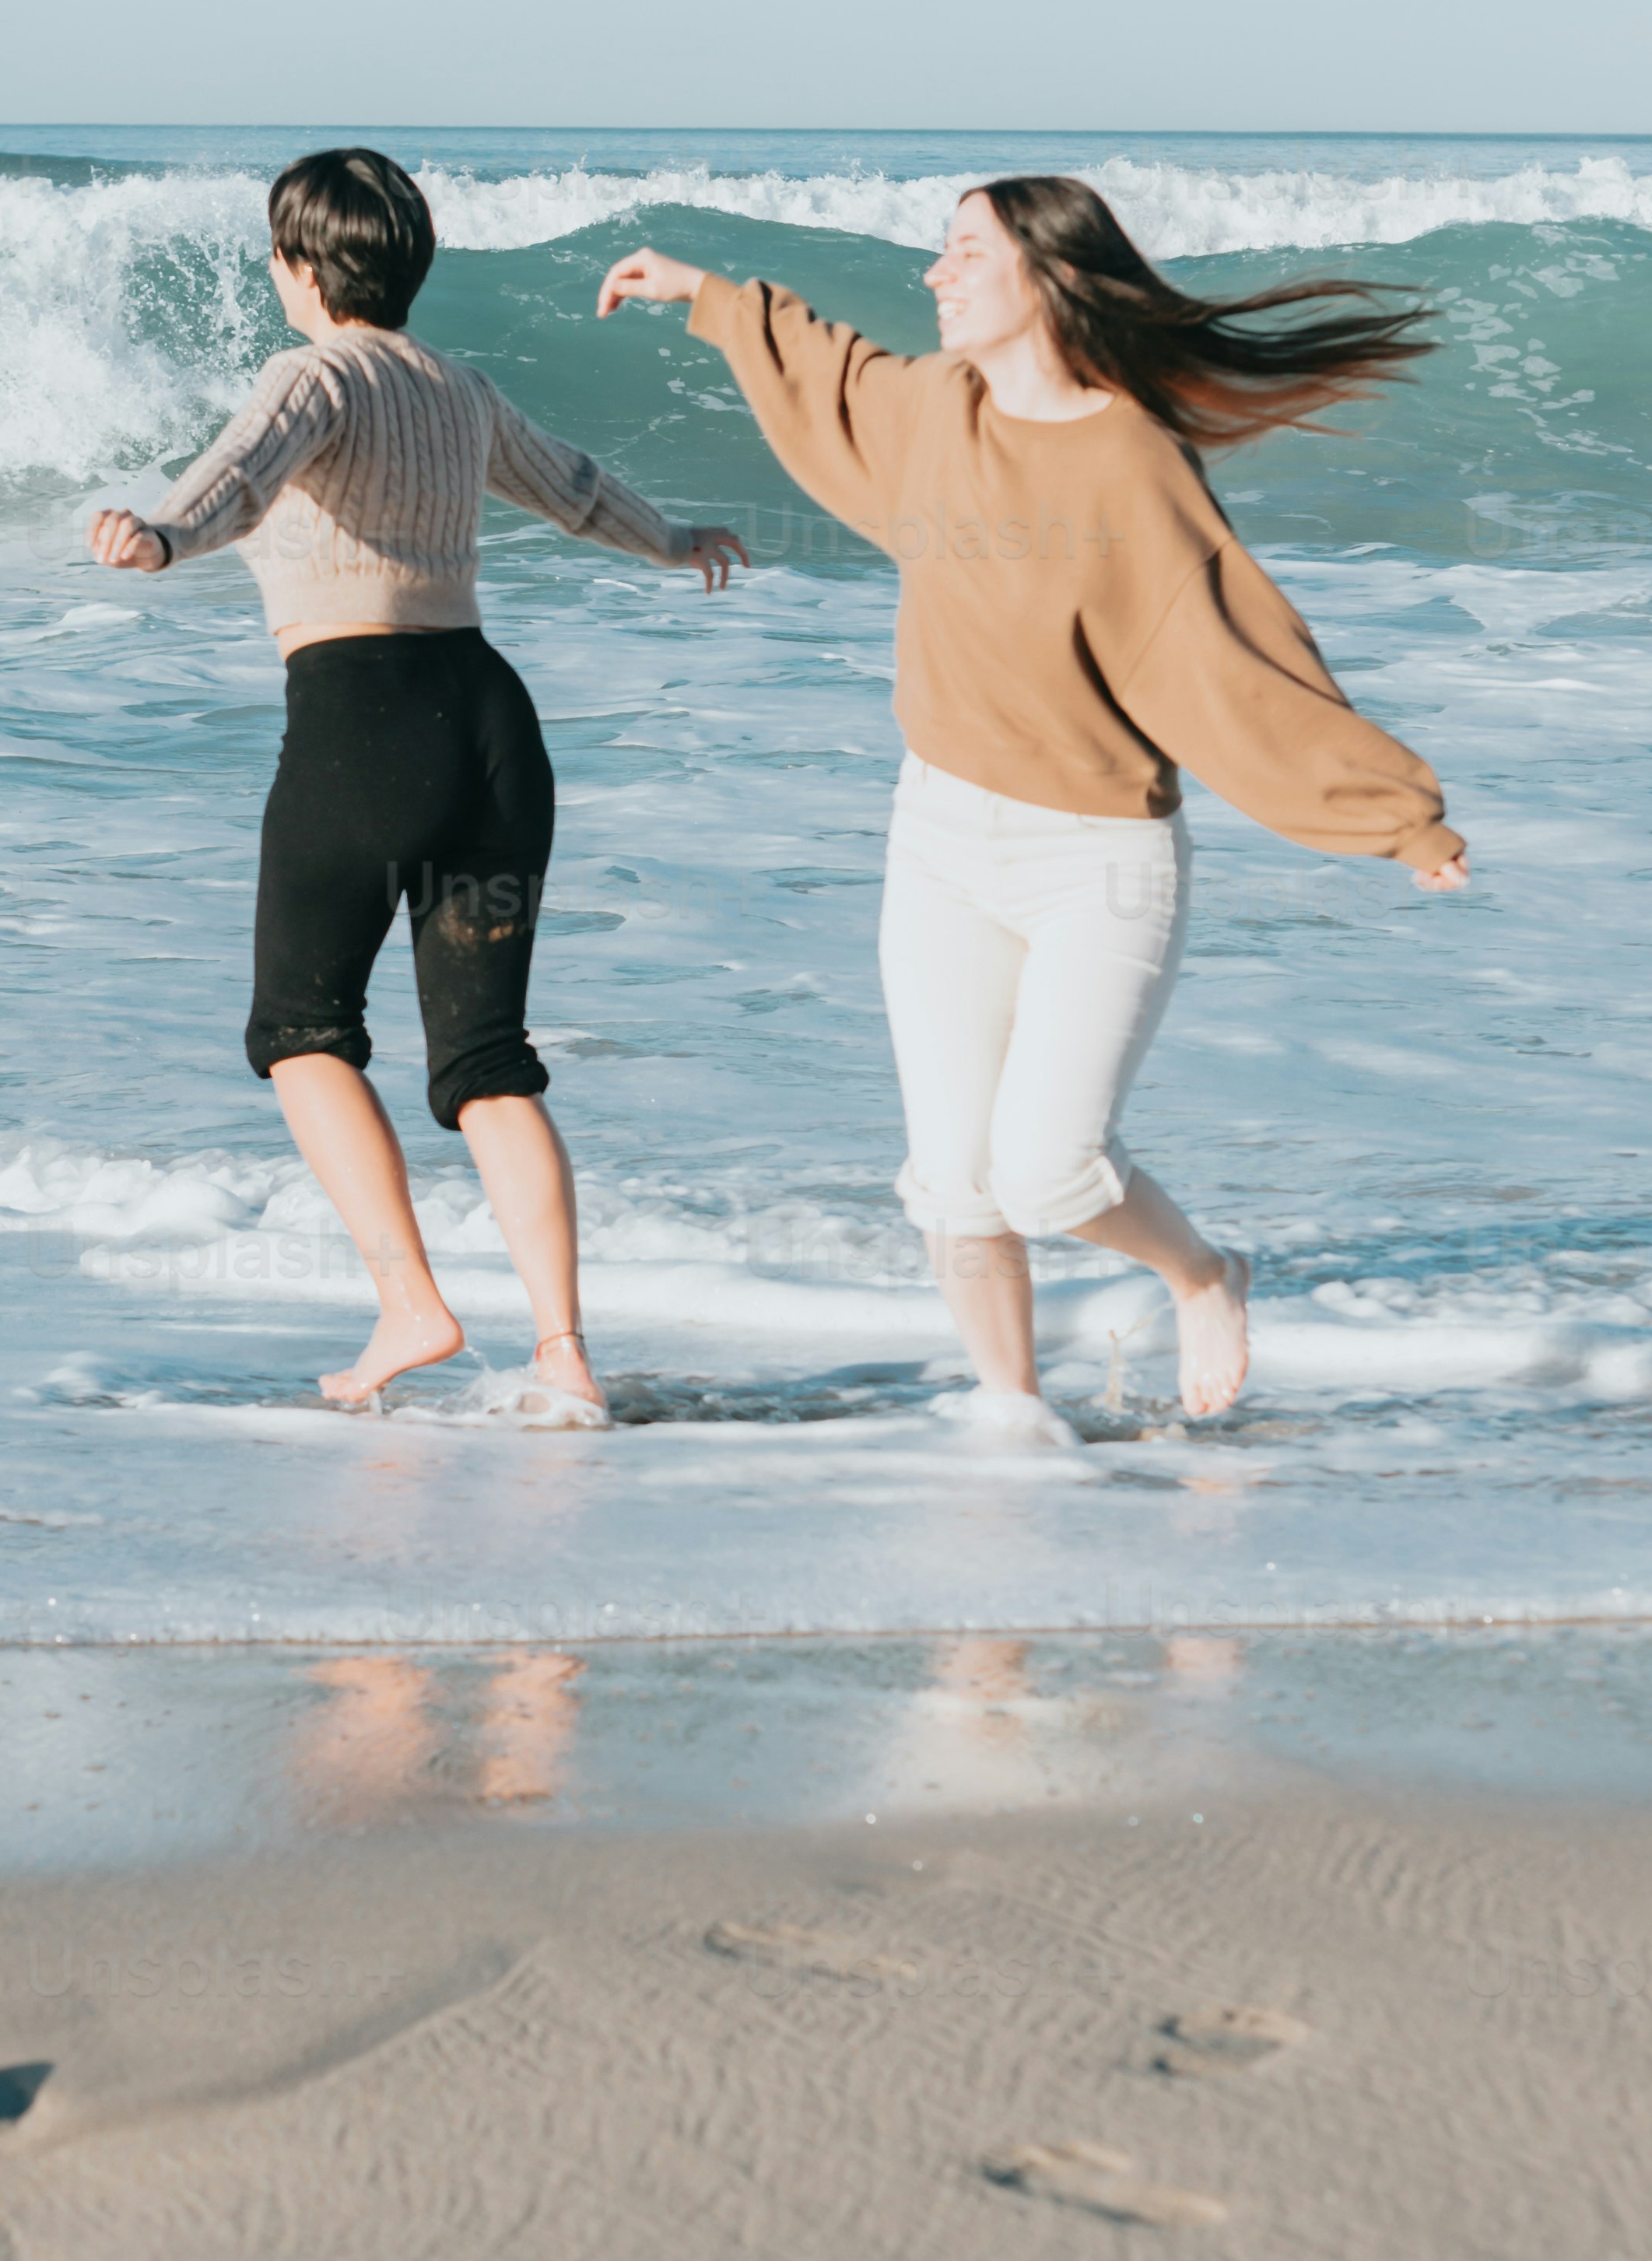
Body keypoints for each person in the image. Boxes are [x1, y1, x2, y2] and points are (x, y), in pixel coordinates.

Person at [600, 179, 1463, 1425]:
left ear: (1046, 279)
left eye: (964, 253)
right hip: (939, 836)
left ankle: (1202, 1272)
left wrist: (1392, 818)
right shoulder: (932, 408)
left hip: (1096, 859)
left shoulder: (1129, 460)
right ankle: (1010, 1423)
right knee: (952, 1184)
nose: (934, 275)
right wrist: (705, 294)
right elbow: (827, 374)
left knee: (1049, 1171)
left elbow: (1226, 655)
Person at [94, 149, 744, 1419]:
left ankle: (410, 1302)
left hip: (362, 727)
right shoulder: (461, 385)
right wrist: (675, 540)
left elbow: (242, 469)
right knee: (490, 1059)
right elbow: (574, 489)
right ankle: (562, 1356)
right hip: (493, 731)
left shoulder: (314, 369)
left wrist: (161, 532)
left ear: (298, 264)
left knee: (301, 1029)